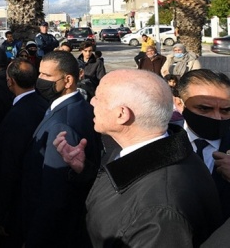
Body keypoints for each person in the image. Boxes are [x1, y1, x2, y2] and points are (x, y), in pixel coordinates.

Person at [56, 69, 223, 247]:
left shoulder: (160, 213)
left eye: (99, 97)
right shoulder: (136, 149)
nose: (92, 101)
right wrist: (84, 171)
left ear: (122, 114)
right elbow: (122, 196)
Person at [23, 51, 101, 247]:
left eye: (47, 76)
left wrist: (34, 239)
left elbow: (54, 193)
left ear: (67, 80)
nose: (40, 80)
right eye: (39, 74)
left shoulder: (63, 124)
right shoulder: (74, 106)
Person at [0, 58, 49, 248]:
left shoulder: (15, 118)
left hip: (19, 207)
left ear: (10, 81)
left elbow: (8, 168)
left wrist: (2, 214)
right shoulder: (45, 105)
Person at [173, 69, 230, 219]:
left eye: (226, 110)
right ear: (179, 104)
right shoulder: (160, 141)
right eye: (204, 109)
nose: (217, 117)